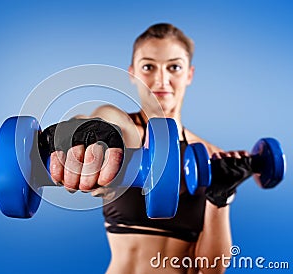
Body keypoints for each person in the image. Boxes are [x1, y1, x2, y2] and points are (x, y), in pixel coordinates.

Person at [41, 23, 252, 274]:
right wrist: (90, 131)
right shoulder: (126, 132)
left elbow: (211, 269)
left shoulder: (211, 156)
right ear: (132, 73)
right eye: (148, 67)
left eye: (174, 67)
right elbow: (110, 119)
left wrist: (221, 198)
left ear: (189, 74)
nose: (162, 79)